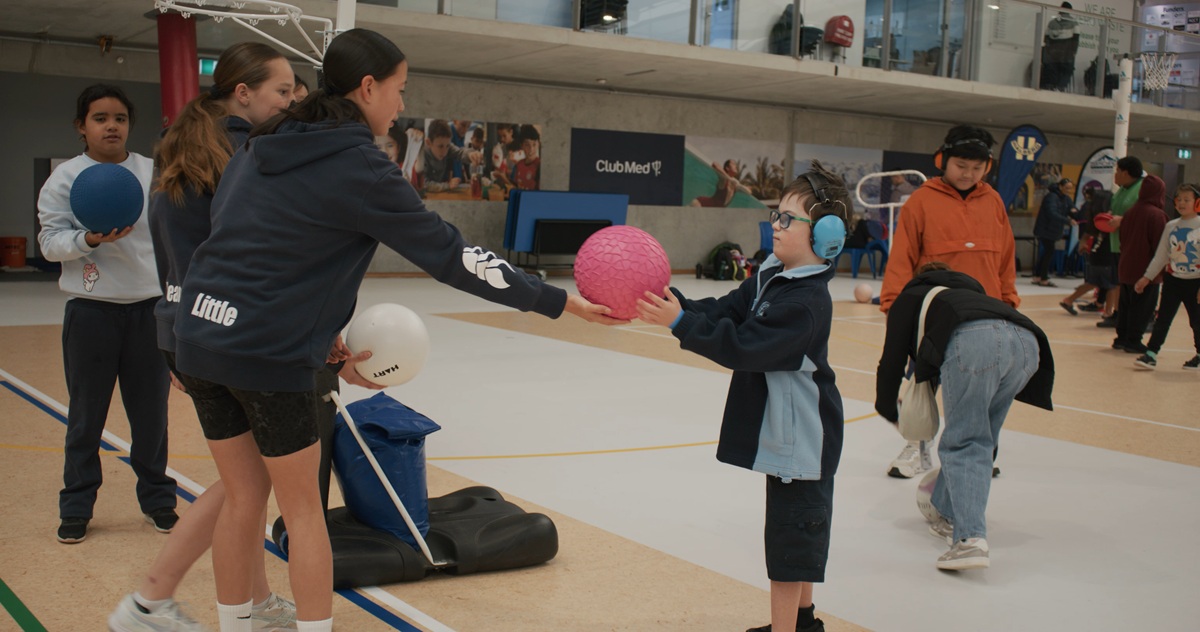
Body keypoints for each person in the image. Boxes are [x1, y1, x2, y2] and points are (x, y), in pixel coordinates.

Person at [169, 29, 623, 632]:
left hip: (200, 336)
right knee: (304, 513)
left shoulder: (262, 144)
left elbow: (236, 237)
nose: (402, 105)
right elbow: (450, 255)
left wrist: (319, 324)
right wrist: (553, 301)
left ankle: (236, 626)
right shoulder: (359, 167)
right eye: (399, 90)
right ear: (367, 88)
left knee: (243, 499)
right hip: (267, 354)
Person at [102, 43, 311, 632]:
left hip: (183, 329)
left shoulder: (185, 141)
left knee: (249, 479)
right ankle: (150, 599)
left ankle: (259, 600)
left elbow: (175, 253)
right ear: (243, 94)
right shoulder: (247, 152)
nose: (291, 99)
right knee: (251, 481)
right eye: (282, 89)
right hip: (233, 332)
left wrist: (178, 333)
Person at [636, 161, 850, 632]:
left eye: (788, 219)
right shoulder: (774, 274)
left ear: (824, 235)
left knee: (790, 550)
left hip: (803, 444)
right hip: (789, 440)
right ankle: (804, 623)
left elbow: (744, 347)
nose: (775, 224)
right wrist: (673, 302)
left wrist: (679, 325)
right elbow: (727, 309)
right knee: (800, 536)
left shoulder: (806, 304)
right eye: (777, 214)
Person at [37, 84, 179, 545]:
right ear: (82, 127)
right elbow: (49, 243)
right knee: (85, 417)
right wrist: (89, 241)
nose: (111, 125)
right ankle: (76, 506)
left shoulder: (153, 173)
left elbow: (172, 234)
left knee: (151, 418)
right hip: (91, 313)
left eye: (119, 117)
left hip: (147, 313)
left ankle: (158, 500)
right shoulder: (64, 180)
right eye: (99, 118)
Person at [876, 262, 1054, 570]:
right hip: (1028, 344)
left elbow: (892, 361)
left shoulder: (912, 296)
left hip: (976, 343)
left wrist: (889, 410)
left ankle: (970, 539)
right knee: (982, 435)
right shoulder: (972, 294)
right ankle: (947, 510)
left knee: (964, 440)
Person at [878, 124, 1019, 479]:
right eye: (961, 166)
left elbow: (1006, 258)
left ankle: (978, 454)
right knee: (921, 385)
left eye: (977, 168)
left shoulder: (993, 201)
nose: (968, 174)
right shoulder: (922, 201)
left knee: (980, 392)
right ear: (943, 160)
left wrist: (1008, 302)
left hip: (984, 314)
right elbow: (902, 256)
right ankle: (915, 448)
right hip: (935, 313)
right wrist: (895, 304)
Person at [1133, 184, 1199, 369]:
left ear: (1197, 203)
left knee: (1196, 321)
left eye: (1187, 199)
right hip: (1173, 280)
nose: (1182, 203)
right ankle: (1151, 353)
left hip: (1196, 282)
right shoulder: (1171, 226)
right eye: (1179, 199)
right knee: (1163, 318)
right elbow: (1161, 255)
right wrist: (1146, 277)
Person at [1112, 175, 1168, 354]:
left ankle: (1121, 338)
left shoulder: (1130, 212)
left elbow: (1122, 238)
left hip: (1126, 265)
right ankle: (1133, 340)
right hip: (1145, 270)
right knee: (1142, 307)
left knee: (1126, 305)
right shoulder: (1157, 215)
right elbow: (1161, 247)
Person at [1099, 156, 1145, 329]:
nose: (1115, 175)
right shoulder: (1122, 190)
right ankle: (1118, 314)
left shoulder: (1141, 189)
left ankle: (1136, 318)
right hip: (1115, 243)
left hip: (1132, 246)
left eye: (1117, 171)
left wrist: (1123, 220)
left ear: (1125, 173)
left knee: (1130, 283)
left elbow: (1144, 216)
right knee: (1119, 281)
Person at [1060, 188, 1118, 316]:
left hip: (1096, 253)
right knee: (1112, 284)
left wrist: (1082, 244)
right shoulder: (1108, 218)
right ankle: (1108, 313)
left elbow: (1086, 235)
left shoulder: (1094, 217)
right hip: (1106, 254)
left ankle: (1069, 300)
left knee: (1093, 282)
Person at [1031, 177, 1077, 287]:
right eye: (1066, 188)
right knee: (1049, 252)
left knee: (1047, 252)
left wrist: (1075, 213)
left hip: (1053, 230)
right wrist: (1067, 220)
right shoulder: (1051, 197)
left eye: (1070, 189)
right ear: (1060, 186)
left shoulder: (1065, 198)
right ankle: (1043, 278)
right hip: (1045, 229)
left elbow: (1072, 209)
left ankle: (1038, 276)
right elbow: (1052, 213)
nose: (1068, 191)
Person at [421, 118, 481, 189]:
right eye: (440, 146)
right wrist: (447, 185)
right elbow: (424, 184)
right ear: (428, 142)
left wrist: (470, 154)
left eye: (447, 146)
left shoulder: (447, 146)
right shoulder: (422, 155)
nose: (444, 152)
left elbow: (459, 152)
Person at [1040, 2, 1079, 91]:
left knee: (1052, 69)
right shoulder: (1074, 24)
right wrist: (1073, 53)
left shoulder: (1052, 23)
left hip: (1052, 55)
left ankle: (1051, 86)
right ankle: (1061, 87)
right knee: (1068, 70)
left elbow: (1046, 40)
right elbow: (1076, 41)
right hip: (1066, 55)